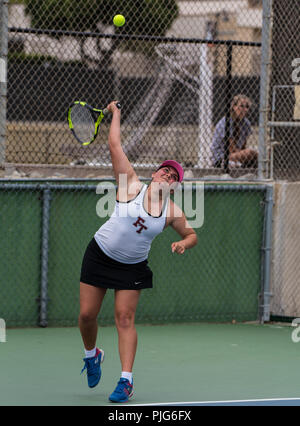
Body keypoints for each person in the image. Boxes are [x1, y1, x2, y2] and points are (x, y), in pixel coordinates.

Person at [78, 101, 198, 403]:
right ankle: (92, 355)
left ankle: (126, 380)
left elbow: (192, 233)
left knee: (124, 318)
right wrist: (116, 114)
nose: (168, 176)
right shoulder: (131, 183)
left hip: (131, 268)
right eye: (165, 171)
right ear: (155, 174)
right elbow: (114, 143)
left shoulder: (172, 211)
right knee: (86, 315)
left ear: (175, 186)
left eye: (174, 176)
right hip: (100, 253)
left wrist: (184, 243)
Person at [211, 94, 257, 168]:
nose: (244, 110)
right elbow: (231, 149)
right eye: (241, 106)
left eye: (247, 107)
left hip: (237, 154)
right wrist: (245, 154)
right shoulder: (227, 122)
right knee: (250, 153)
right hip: (223, 156)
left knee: (255, 155)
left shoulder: (246, 123)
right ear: (234, 107)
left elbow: (243, 146)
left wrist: (244, 154)